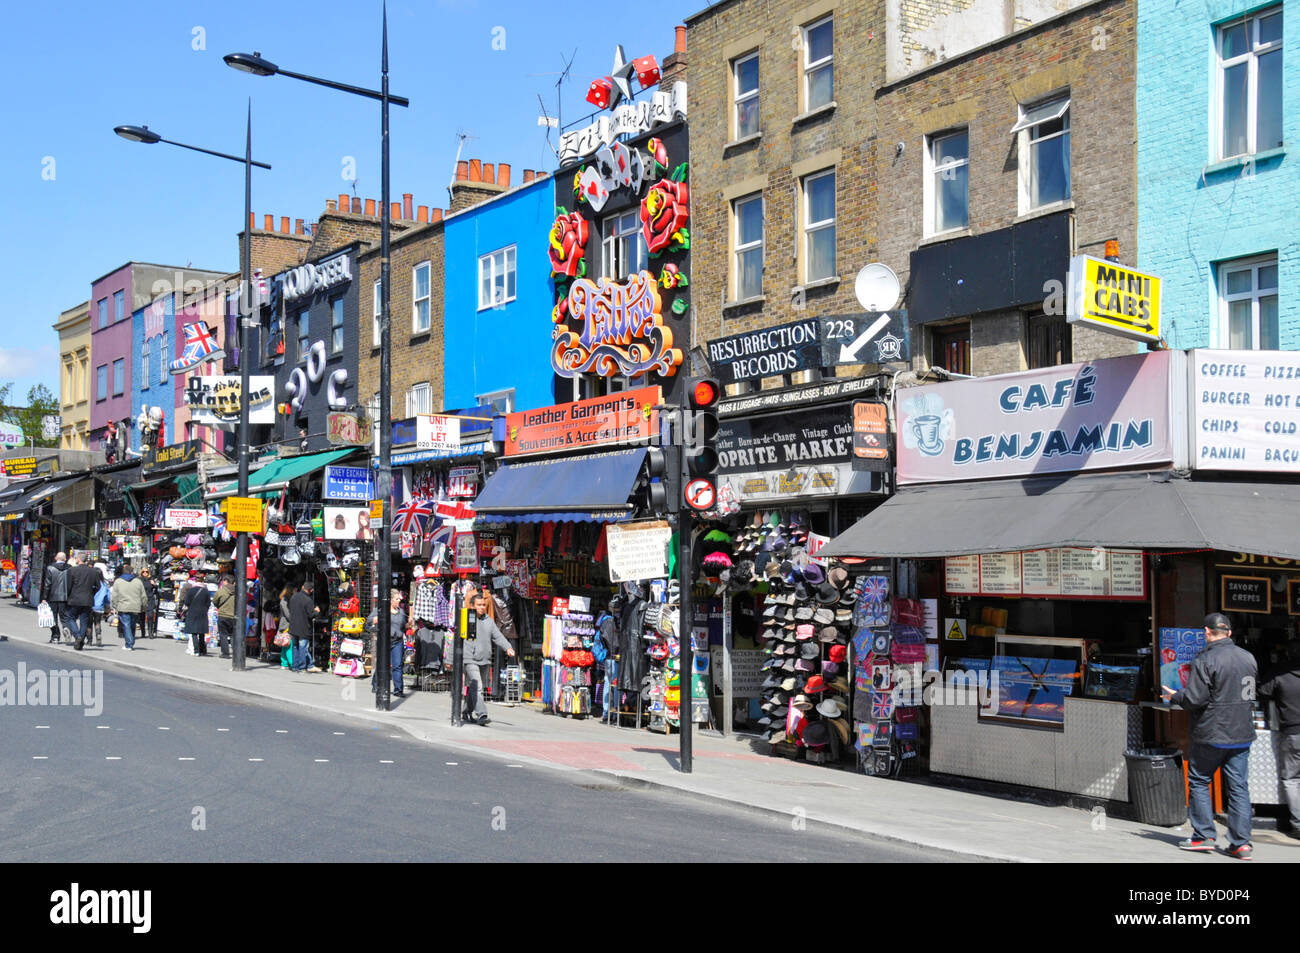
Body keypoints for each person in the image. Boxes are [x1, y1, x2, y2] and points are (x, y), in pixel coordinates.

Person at [1163, 612, 1258, 859]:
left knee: (1199, 780)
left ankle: (1203, 836)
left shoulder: (1205, 659)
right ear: (1229, 632)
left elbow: (1195, 699)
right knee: (1238, 788)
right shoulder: (1248, 657)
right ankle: (1241, 844)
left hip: (1211, 733)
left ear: (1207, 632)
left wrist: (1175, 695)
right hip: (1242, 733)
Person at [1259, 639, 1300, 839]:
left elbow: (1262, 692)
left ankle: (1299, 824)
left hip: (1292, 733)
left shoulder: (1280, 673)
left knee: (1292, 779)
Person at [462, 587, 515, 726]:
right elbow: (457, 640)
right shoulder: (466, 619)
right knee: (477, 686)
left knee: (475, 688)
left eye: (483, 605)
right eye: (479, 605)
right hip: (470, 659)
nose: (482, 607)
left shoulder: (489, 621)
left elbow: (497, 636)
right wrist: (449, 660)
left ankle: (466, 711)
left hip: (484, 659)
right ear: (472, 606)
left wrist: (508, 647)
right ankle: (482, 713)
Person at [369, 590, 408, 698]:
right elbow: (369, 621)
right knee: (382, 663)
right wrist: (377, 619)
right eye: (397, 598)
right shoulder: (381, 610)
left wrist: (409, 624)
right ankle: (376, 684)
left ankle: (398, 690)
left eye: (399, 598)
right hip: (384, 641)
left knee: (397, 665)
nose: (399, 600)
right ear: (390, 600)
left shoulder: (401, 612)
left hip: (397, 641)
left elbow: (405, 625)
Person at [65, 556, 103, 652]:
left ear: (78, 560)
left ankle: (78, 636)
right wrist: (91, 593)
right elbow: (98, 586)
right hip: (87, 599)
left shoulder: (72, 570)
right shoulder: (93, 571)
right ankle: (80, 639)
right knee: (84, 620)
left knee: (70, 617)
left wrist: (68, 596)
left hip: (74, 598)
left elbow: (68, 586)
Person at [110, 565, 146, 652]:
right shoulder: (138, 581)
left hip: (123, 606)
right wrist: (143, 606)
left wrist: (114, 605)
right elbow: (143, 596)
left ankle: (129, 643)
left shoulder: (118, 581)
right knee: (132, 624)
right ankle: (130, 641)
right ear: (132, 572)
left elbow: (114, 595)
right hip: (135, 606)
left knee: (126, 624)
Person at [288, 580, 319, 673]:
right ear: (311, 590)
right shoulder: (308, 600)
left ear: (302, 587)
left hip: (293, 626)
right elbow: (311, 615)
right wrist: (317, 611)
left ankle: (295, 666)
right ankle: (302, 667)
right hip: (304, 628)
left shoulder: (294, 596)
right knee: (302, 648)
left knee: (295, 647)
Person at [42, 552, 71, 643]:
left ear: (55, 558)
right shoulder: (69, 568)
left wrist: (44, 597)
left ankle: (55, 636)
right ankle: (66, 627)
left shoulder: (50, 568)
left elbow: (47, 584)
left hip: (53, 596)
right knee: (64, 617)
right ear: (65, 559)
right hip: (65, 597)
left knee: (52, 617)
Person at [182, 572, 212, 657]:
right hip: (202, 613)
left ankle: (196, 650)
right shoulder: (206, 591)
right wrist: (204, 609)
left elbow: (187, 602)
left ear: (195, 580)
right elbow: (208, 603)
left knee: (194, 632)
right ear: (202, 581)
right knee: (201, 632)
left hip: (193, 612)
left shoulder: (191, 590)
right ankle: (203, 650)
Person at [212, 574, 237, 659]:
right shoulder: (238, 592)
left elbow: (215, 601)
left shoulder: (221, 591)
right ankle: (236, 653)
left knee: (223, 635)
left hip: (223, 615)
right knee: (233, 635)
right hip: (234, 616)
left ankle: (225, 653)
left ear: (226, 581)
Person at [91, 563, 112, 646]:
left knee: (89, 623)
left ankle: (89, 640)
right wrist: (107, 606)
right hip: (100, 606)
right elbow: (107, 597)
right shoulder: (104, 584)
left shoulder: (90, 583)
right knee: (97, 622)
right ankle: (98, 634)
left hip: (90, 605)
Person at [279, 585, 296, 669]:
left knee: (285, 644)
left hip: (285, 625)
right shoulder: (285, 601)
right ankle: (292, 664)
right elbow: (288, 614)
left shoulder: (285, 600)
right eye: (295, 590)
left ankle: (284, 663)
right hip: (286, 625)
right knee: (289, 645)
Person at [139, 568, 158, 639]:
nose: (145, 573)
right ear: (141, 573)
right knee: (141, 617)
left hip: (150, 599)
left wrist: (154, 585)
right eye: (143, 572)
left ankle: (150, 632)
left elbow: (156, 590)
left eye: (146, 571)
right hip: (141, 599)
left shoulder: (151, 579)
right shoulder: (139, 580)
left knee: (150, 616)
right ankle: (143, 632)